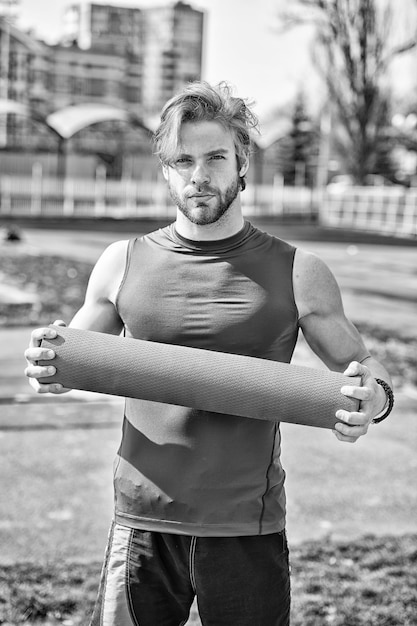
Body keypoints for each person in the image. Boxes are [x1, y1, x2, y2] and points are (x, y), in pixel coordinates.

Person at [24, 81, 393, 626]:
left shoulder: (298, 271)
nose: (199, 175)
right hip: (142, 522)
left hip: (247, 525)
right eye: (183, 160)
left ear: (242, 163)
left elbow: (365, 370)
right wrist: (45, 369)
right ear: (166, 171)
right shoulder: (120, 262)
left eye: (216, 157)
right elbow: (70, 359)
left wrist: (373, 401)